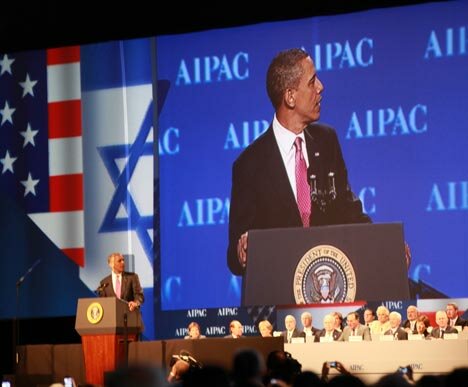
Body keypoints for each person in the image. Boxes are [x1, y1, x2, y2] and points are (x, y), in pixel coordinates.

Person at [227, 47, 371, 275]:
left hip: (329, 287)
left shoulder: (326, 141)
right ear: (290, 96)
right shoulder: (249, 165)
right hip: (280, 297)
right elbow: (235, 258)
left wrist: (385, 244)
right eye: (312, 82)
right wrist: (242, 249)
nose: (321, 87)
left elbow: (349, 212)